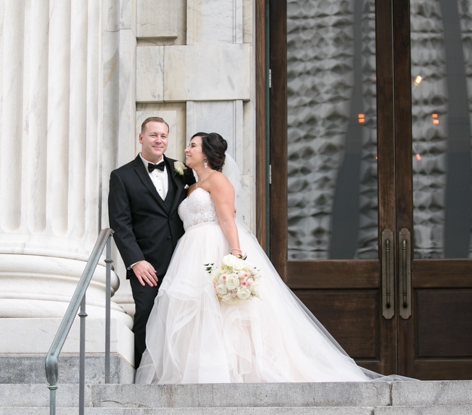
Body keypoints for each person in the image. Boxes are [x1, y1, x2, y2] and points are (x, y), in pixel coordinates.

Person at [135, 132, 370, 383]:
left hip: (214, 248)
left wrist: (235, 257)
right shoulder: (189, 187)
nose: (186, 150)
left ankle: (227, 370)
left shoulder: (218, 180)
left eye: (192, 146)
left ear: (206, 154)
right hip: (189, 252)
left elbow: (227, 219)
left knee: (222, 311)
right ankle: (196, 370)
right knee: (195, 309)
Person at [108, 117, 194, 369]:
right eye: (154, 135)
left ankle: (178, 369)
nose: (159, 140)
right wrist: (136, 261)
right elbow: (120, 224)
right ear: (141, 138)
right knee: (146, 317)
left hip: (183, 259)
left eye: (164, 136)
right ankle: (143, 376)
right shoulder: (122, 176)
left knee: (183, 316)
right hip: (146, 264)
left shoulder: (183, 170)